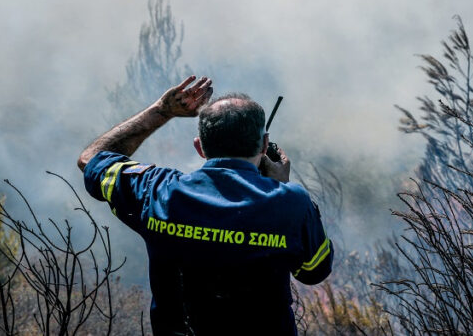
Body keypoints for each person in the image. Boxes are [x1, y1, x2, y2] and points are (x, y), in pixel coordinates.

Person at [78, 75, 333, 335]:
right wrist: (282, 187)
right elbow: (314, 271)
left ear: (199, 147)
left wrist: (162, 111)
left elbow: (91, 159)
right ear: (265, 145)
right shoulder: (291, 202)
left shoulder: (159, 192)